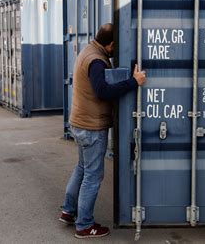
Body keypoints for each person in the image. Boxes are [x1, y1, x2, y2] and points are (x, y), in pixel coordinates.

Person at [59, 23, 146, 239]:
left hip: (80, 122)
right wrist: (133, 82)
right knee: (93, 175)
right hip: (91, 127)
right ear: (111, 44)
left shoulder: (88, 51)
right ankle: (84, 225)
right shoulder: (96, 60)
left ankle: (68, 211)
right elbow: (103, 92)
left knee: (82, 168)